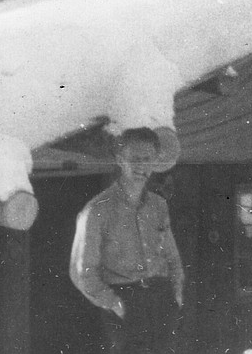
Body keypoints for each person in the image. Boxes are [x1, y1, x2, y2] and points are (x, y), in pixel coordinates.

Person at [70, 127, 185, 354]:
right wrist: (115, 304)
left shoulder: (158, 206)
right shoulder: (97, 211)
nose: (142, 166)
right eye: (135, 159)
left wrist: (176, 293)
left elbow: (172, 257)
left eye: (148, 159)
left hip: (161, 300)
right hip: (126, 301)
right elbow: (82, 271)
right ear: (120, 160)